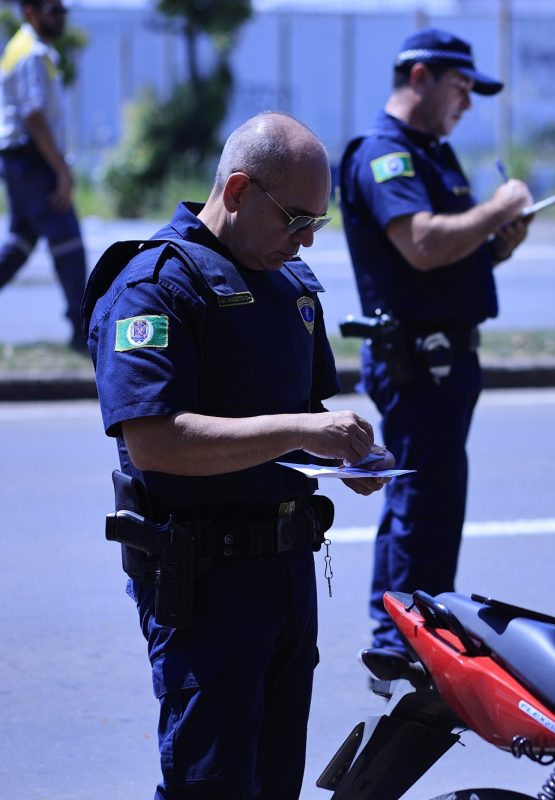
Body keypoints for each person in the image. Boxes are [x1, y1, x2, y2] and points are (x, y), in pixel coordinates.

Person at [82, 112, 394, 799]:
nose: (307, 237)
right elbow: (154, 441)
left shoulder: (289, 282)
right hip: (207, 583)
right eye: (294, 218)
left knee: (275, 782)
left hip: (285, 572)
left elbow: (304, 414)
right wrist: (300, 432)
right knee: (212, 785)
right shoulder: (155, 284)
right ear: (238, 190)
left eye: (318, 221)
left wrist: (348, 453)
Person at [338, 28, 533, 653]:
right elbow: (422, 244)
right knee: (424, 501)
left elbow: (447, 259)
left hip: (446, 354)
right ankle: (406, 641)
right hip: (420, 360)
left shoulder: (431, 151)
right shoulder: (385, 154)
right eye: (461, 87)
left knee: (425, 497)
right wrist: (498, 208)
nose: (468, 103)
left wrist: (497, 243)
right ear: (419, 77)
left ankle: (402, 627)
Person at [0, 0, 87, 350]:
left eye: (63, 11)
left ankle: (80, 329)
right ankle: (83, 334)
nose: (60, 17)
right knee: (69, 243)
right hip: (31, 158)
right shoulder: (32, 52)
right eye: (52, 10)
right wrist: (61, 171)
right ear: (29, 12)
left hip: (20, 158)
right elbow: (34, 116)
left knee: (20, 244)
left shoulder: (24, 47)